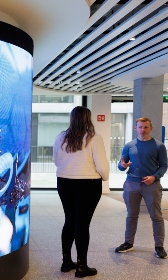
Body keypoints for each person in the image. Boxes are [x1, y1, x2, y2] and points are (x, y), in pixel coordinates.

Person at [53, 106, 109, 278]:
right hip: (88, 184)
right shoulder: (94, 138)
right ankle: (82, 266)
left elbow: (56, 160)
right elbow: (102, 166)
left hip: (64, 182)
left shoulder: (61, 137)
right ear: (88, 118)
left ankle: (66, 262)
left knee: (70, 220)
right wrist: (104, 178)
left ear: (72, 118)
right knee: (82, 223)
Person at [115, 117, 167, 259]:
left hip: (151, 185)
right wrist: (122, 166)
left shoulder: (159, 146)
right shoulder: (129, 145)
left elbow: (164, 166)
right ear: (135, 128)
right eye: (140, 127)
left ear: (151, 128)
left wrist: (154, 177)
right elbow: (121, 165)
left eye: (145, 127)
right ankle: (128, 243)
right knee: (131, 215)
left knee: (156, 216)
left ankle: (159, 246)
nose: (142, 130)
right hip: (132, 184)